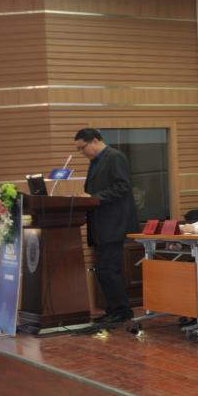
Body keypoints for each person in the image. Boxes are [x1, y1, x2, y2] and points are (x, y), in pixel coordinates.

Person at [75, 128, 138, 326]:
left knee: (109, 269)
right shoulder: (95, 161)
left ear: (94, 141)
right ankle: (113, 309)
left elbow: (123, 186)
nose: (82, 152)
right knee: (103, 270)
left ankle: (122, 311)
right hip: (100, 224)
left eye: (82, 148)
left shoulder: (115, 157)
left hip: (113, 223)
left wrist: (94, 198)